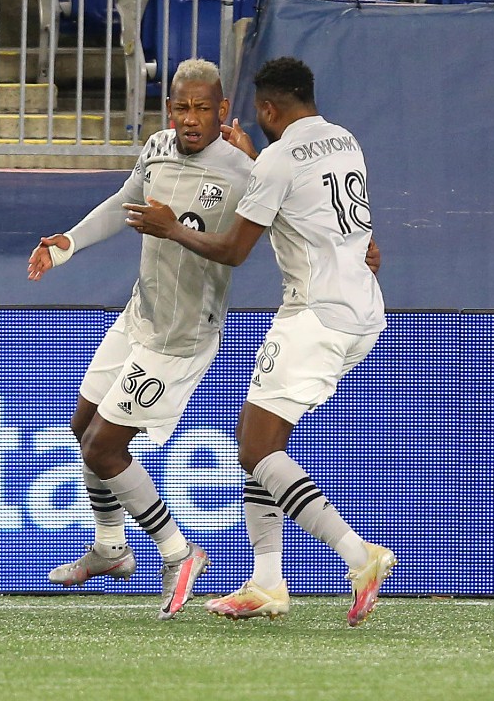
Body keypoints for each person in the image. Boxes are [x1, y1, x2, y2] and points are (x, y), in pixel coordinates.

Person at [127, 57, 396, 627]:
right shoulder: (345, 141)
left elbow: (231, 249)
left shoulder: (275, 160)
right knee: (261, 440)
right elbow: (326, 215)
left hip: (315, 314)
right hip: (365, 310)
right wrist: (254, 159)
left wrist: (169, 225)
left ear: (268, 109)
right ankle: (267, 582)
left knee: (255, 449)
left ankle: (358, 554)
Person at [26, 59, 253, 620]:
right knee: (83, 429)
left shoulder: (243, 171)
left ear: (222, 111)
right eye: (181, 107)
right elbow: (124, 202)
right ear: (168, 108)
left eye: (203, 108)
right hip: (140, 316)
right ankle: (110, 547)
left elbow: (283, 225)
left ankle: (180, 554)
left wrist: (355, 253)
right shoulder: (155, 148)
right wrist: (68, 244)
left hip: (181, 334)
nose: (191, 119)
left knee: (106, 446)